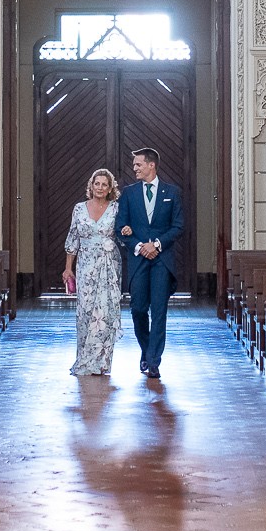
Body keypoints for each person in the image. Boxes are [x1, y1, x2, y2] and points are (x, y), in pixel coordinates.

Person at [116, 147, 184, 380]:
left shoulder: (172, 192)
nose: (134, 168)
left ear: (151, 165)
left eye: (138, 164)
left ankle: (154, 361)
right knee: (137, 310)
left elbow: (178, 226)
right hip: (138, 260)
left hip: (162, 261)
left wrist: (156, 245)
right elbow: (121, 226)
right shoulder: (128, 193)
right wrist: (139, 246)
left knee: (159, 311)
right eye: (134, 165)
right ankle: (146, 348)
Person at [63, 168, 123, 376]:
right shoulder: (79, 209)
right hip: (86, 265)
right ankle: (84, 358)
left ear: (110, 188)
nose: (100, 188)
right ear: (91, 186)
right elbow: (73, 239)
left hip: (109, 265)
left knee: (106, 311)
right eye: (97, 184)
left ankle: (103, 362)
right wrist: (68, 268)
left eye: (104, 184)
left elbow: (123, 234)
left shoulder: (116, 209)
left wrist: (127, 231)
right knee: (86, 311)